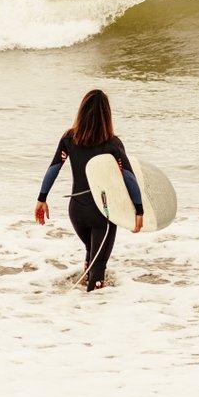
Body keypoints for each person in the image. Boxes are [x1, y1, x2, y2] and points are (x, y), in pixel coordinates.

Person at [35, 88, 142, 291]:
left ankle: (82, 310)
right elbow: (129, 177)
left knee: (91, 255)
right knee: (98, 266)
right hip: (102, 214)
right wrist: (139, 210)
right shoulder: (112, 144)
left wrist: (42, 198)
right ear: (107, 115)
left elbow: (54, 168)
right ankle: (93, 310)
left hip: (76, 211)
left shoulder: (69, 138)